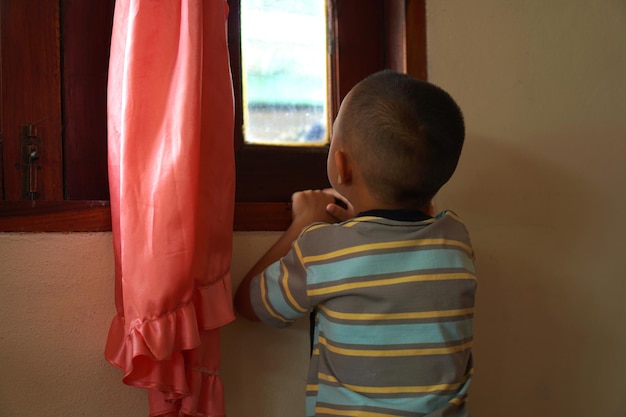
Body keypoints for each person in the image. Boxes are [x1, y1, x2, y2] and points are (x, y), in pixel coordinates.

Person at [235, 69, 476, 417]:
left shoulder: (324, 249)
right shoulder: (456, 239)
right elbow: (405, 235)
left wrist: (303, 224)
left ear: (340, 165)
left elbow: (249, 304)